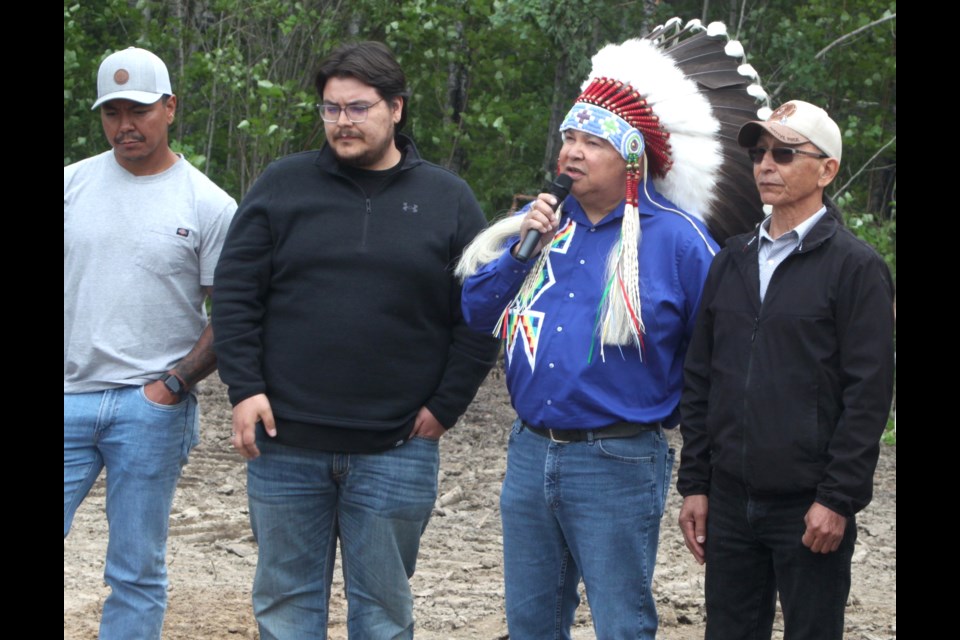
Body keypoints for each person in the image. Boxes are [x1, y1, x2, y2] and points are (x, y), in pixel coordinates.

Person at [456, 25, 767, 637]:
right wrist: (522, 250)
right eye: (568, 137)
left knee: (621, 622)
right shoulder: (539, 227)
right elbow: (474, 312)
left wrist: (703, 472)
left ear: (630, 157)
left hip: (619, 458)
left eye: (590, 140)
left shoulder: (680, 243)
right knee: (531, 622)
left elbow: (720, 359)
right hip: (529, 451)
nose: (570, 151)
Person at [211, 41, 499, 639]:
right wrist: (245, 389)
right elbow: (236, 297)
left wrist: (445, 407)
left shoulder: (449, 200)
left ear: (395, 108)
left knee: (384, 617)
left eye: (358, 107)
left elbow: (479, 315)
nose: (342, 121)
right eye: (331, 109)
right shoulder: (281, 187)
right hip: (284, 444)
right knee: (285, 611)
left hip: (396, 450)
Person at [677, 100, 895, 640]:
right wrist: (696, 484)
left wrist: (837, 499)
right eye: (758, 153)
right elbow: (702, 376)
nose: (764, 165)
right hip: (729, 501)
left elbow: (869, 394)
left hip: (809, 506)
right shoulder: (730, 258)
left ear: (827, 170)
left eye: (784, 153)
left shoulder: (856, 268)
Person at [64, 47, 237, 639]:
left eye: (137, 109)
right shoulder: (71, 186)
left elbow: (232, 310)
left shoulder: (208, 204)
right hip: (68, 397)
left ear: (169, 108)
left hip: (150, 409)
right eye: (111, 112)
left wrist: (173, 384)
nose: (124, 125)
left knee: (136, 569)